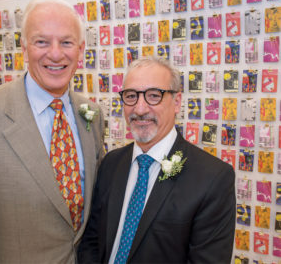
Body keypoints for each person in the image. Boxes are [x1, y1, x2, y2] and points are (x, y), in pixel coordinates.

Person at [0, 0, 104, 263]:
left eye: (67, 42)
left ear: (81, 50)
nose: (56, 53)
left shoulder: (92, 115)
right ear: (24, 49)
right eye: (42, 42)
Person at [78, 57, 236, 263]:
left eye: (154, 96)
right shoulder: (111, 163)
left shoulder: (213, 178)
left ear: (177, 102)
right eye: (131, 96)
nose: (140, 109)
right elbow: (91, 241)